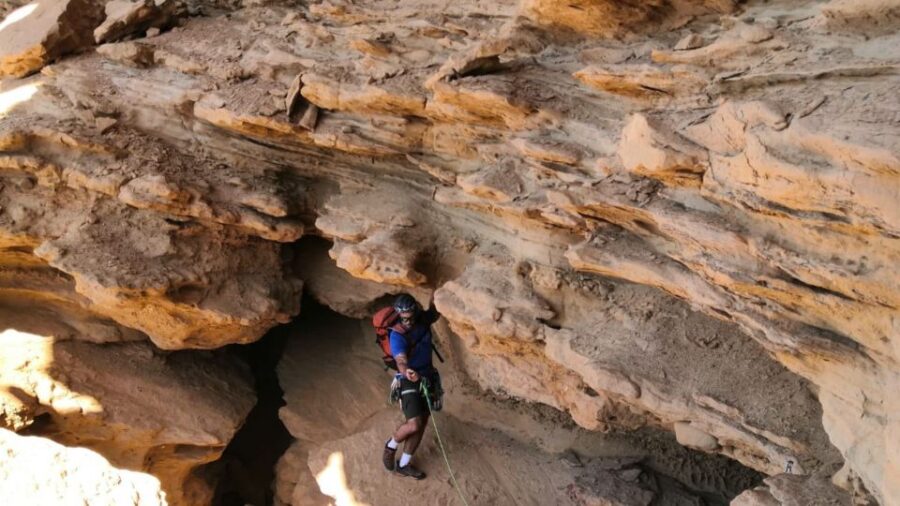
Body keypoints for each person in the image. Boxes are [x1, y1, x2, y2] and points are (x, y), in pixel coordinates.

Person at [382, 293, 440, 479]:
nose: (407, 321)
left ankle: (404, 464)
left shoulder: (423, 319)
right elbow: (400, 359)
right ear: (399, 315)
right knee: (414, 424)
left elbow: (435, 311)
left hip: (428, 376)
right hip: (408, 378)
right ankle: (390, 446)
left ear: (415, 311)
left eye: (409, 317)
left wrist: (436, 291)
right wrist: (407, 371)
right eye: (403, 318)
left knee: (422, 424)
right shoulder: (397, 334)